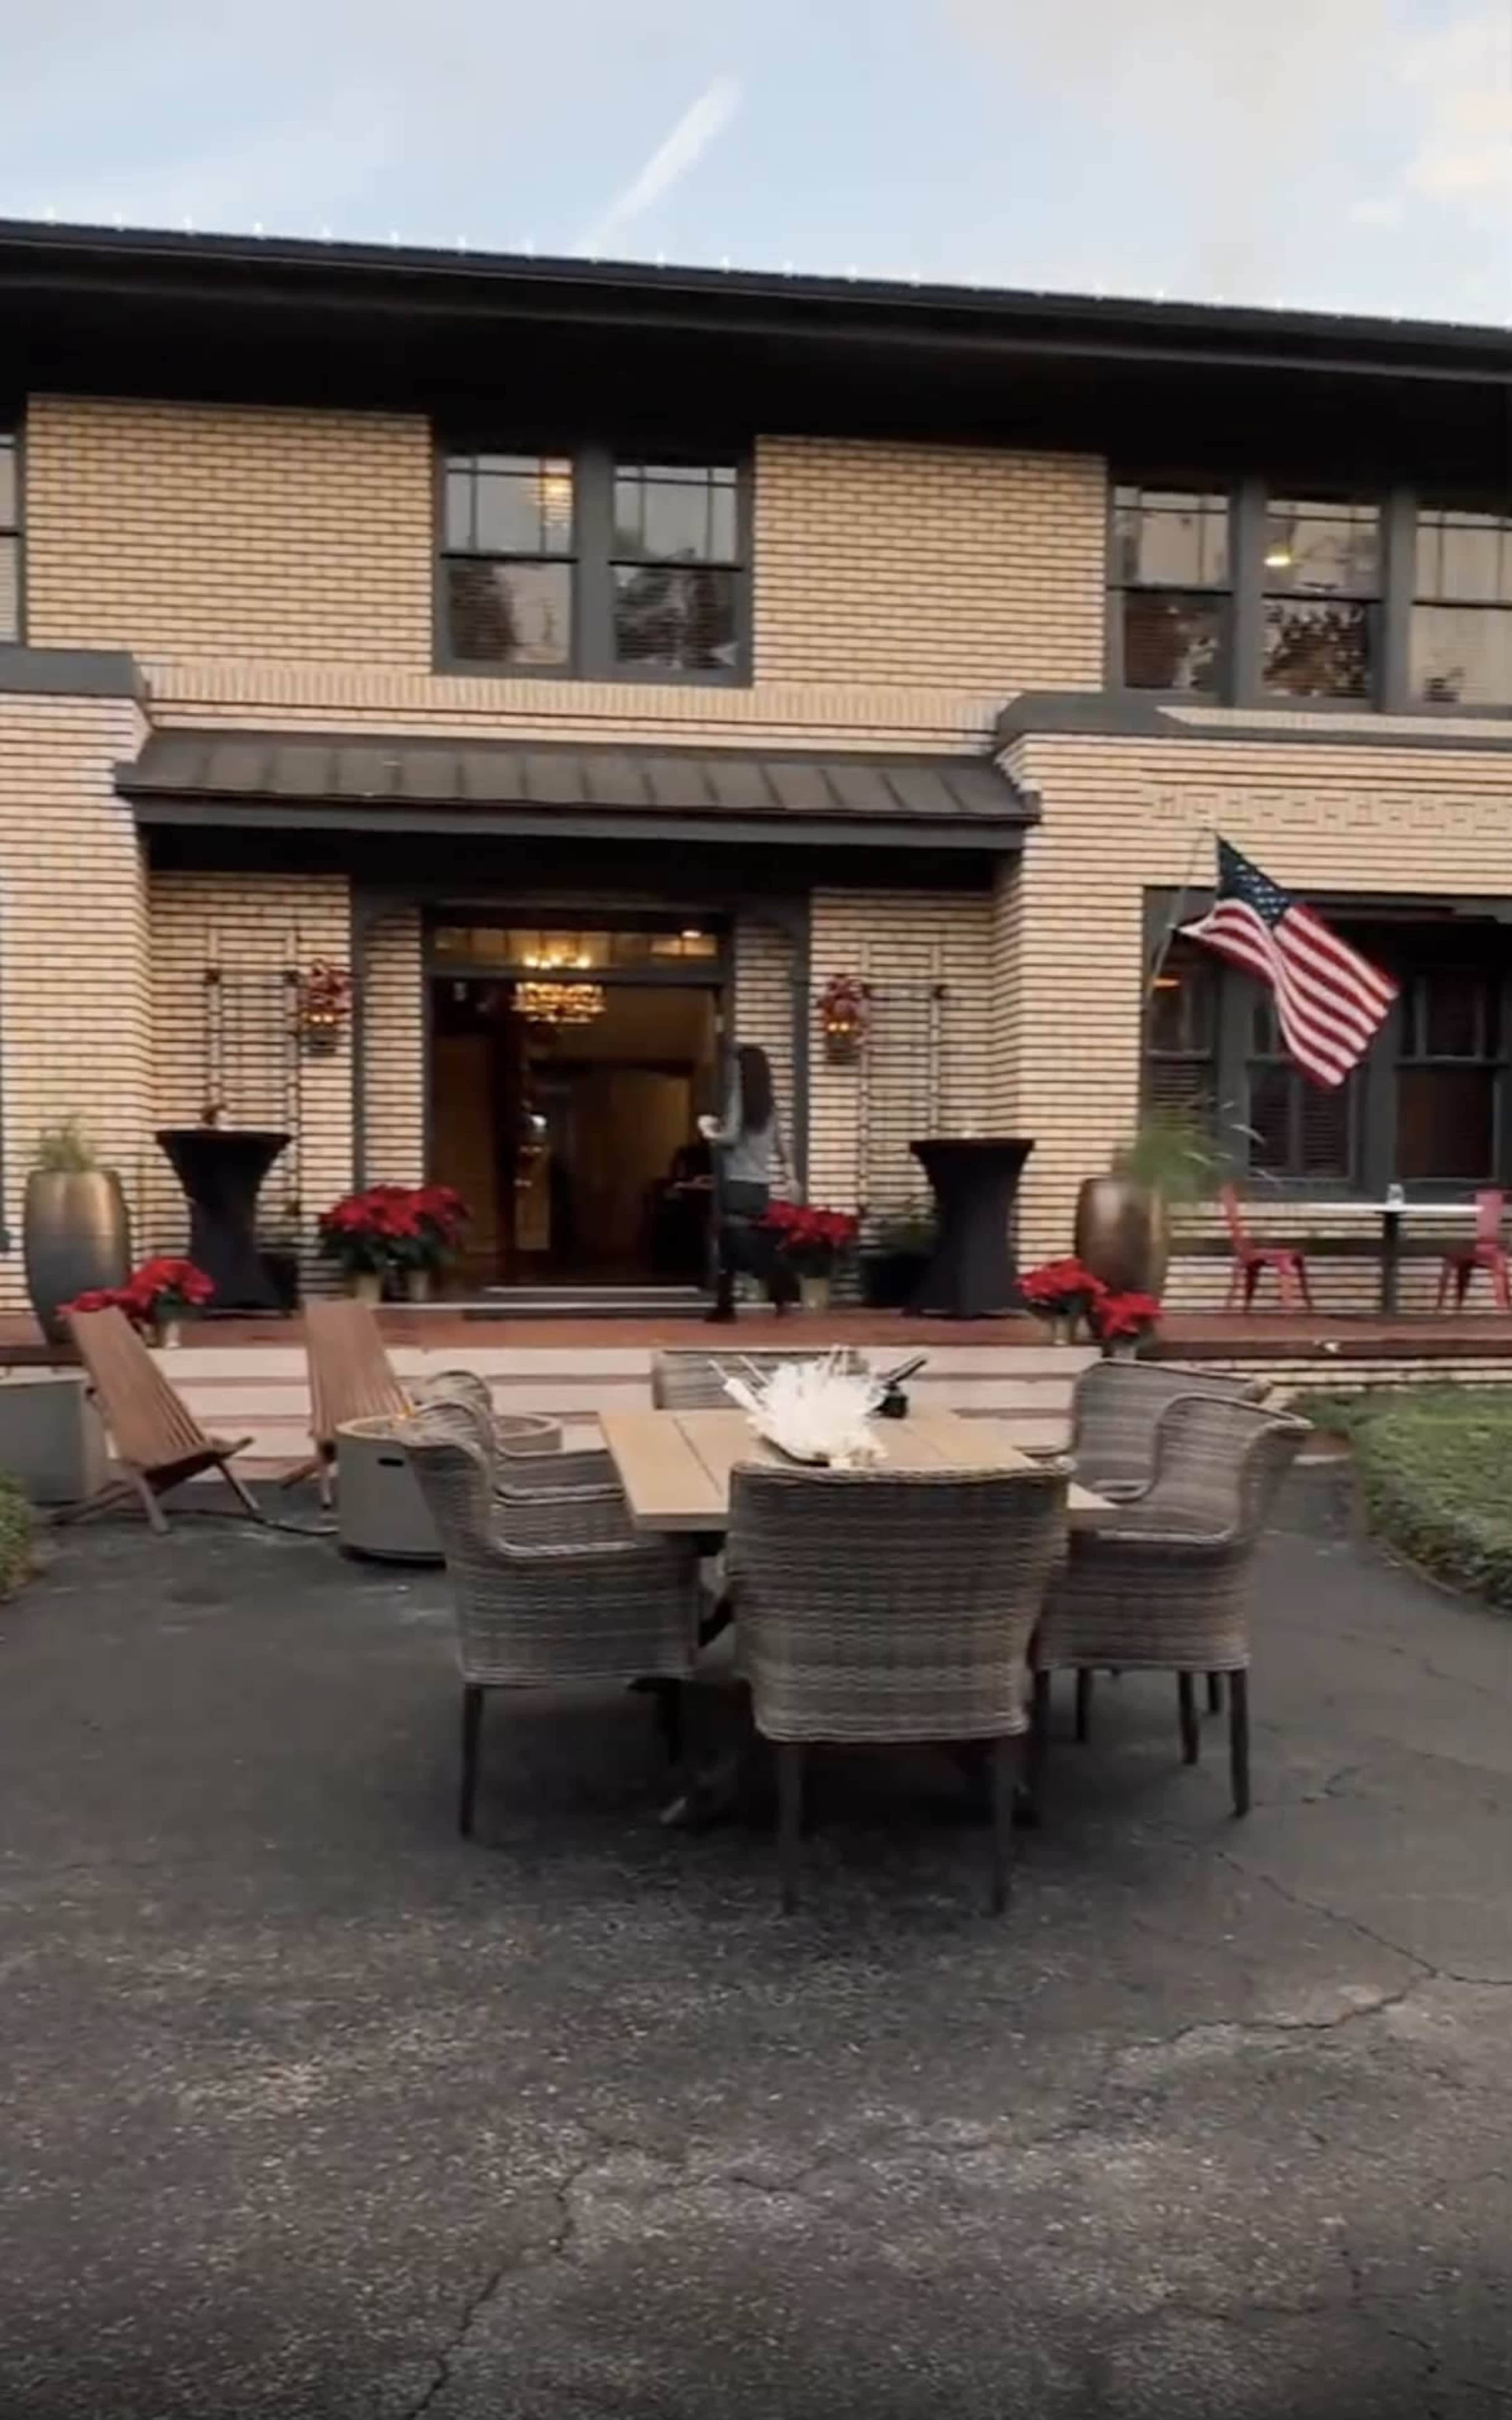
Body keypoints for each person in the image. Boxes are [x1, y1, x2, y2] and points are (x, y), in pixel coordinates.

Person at [697, 1043, 795, 1322]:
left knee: (735, 1245)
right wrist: (791, 1176)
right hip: (759, 1186)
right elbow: (781, 1144)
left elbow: (729, 1138)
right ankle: (732, 1304)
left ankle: (770, 1292)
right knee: (740, 1243)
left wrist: (708, 1130)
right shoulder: (767, 1103)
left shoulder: (738, 1097)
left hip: (737, 1183)